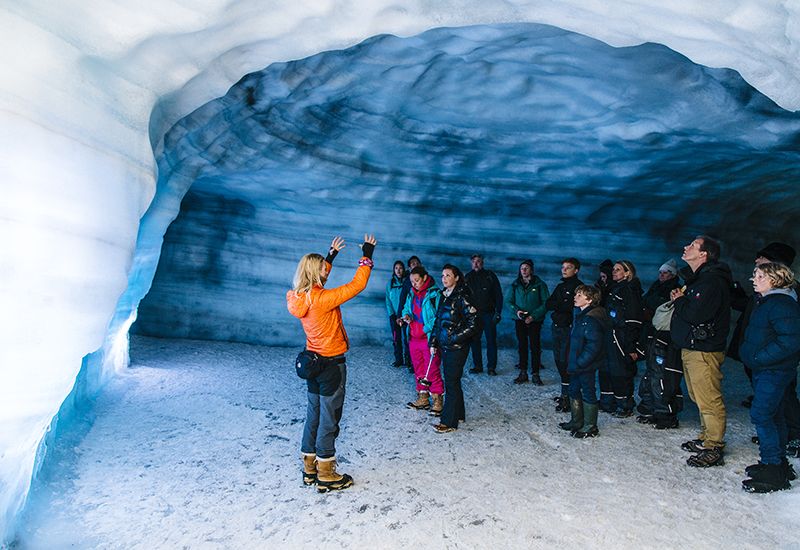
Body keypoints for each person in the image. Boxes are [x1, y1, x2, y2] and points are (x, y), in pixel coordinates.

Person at [286, 234, 377, 492]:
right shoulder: (323, 300)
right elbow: (356, 285)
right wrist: (367, 255)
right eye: (323, 269)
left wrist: (331, 256)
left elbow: (321, 277)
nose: (326, 272)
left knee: (313, 414)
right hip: (330, 365)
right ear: (316, 273)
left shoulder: (301, 297)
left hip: (313, 363)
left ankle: (309, 467)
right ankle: (326, 471)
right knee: (329, 417)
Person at [728, 242, 800, 457]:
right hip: (760, 358)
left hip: (773, 361)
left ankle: (794, 435)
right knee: (771, 405)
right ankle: (778, 437)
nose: (757, 261)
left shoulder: (787, 296)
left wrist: (761, 356)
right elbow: (746, 306)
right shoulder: (767, 294)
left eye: (763, 259)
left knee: (784, 397)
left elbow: (789, 336)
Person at [670, 235, 732, 468]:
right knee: (699, 396)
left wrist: (680, 300)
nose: (686, 247)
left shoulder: (711, 282)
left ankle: (714, 446)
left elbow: (697, 313)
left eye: (693, 245)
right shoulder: (701, 279)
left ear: (704, 254)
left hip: (703, 351)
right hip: (693, 347)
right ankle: (707, 438)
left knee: (709, 398)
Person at [740, 262, 800, 493]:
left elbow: (791, 340)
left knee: (762, 414)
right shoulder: (769, 301)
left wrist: (760, 357)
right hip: (767, 369)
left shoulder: (780, 303)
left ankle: (773, 469)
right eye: (755, 274)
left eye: (760, 275)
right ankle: (778, 464)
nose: (754, 278)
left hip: (773, 370)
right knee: (774, 414)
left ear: (775, 280)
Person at [429, 264, 479, 432]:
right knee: (453, 381)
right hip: (445, 345)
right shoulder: (444, 296)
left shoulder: (462, 297)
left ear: (456, 278)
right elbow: (438, 322)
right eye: (443, 275)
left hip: (457, 347)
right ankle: (458, 414)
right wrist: (434, 342)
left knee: (451, 382)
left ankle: (449, 422)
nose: (444, 278)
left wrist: (453, 337)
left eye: (448, 275)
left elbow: (474, 324)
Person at [559, 285, 611, 438]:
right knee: (574, 390)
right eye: (576, 294)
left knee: (588, 392)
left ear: (589, 299)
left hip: (585, 365)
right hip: (577, 364)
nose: (575, 297)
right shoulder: (581, 315)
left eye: (579, 295)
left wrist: (581, 362)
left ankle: (590, 426)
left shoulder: (591, 319)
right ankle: (577, 421)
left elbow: (593, 346)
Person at [636, 259, 683, 427]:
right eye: (661, 272)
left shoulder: (673, 289)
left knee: (661, 376)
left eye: (665, 273)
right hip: (653, 333)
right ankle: (653, 409)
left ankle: (665, 413)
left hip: (665, 335)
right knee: (652, 373)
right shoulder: (657, 286)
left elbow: (655, 304)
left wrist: (649, 306)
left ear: (673, 275)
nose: (662, 275)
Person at [602, 261, 644, 417]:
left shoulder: (630, 290)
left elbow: (634, 319)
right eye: (613, 269)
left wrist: (631, 345)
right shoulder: (616, 288)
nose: (614, 272)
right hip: (611, 334)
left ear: (627, 273)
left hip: (622, 336)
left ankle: (625, 405)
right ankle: (608, 401)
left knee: (621, 370)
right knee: (608, 369)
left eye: (618, 270)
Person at [401, 266, 443, 415]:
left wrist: (424, 328)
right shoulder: (411, 293)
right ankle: (423, 397)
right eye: (412, 281)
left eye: (417, 280)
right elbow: (406, 308)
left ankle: (438, 399)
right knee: (418, 368)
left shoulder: (435, 294)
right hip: (413, 337)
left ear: (425, 277)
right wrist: (406, 316)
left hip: (428, 338)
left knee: (431, 369)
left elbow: (439, 317)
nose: (414, 284)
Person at [546, 258, 584, 412]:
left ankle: (570, 398)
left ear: (576, 270)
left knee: (567, 362)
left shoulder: (578, 287)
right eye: (563, 267)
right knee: (559, 361)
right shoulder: (561, 286)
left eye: (568, 267)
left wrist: (560, 306)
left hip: (569, 329)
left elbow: (572, 307)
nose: (564, 270)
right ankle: (565, 394)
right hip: (557, 328)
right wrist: (562, 305)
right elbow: (549, 304)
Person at [506, 259, 550, 385]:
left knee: (535, 346)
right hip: (520, 319)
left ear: (531, 270)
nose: (524, 270)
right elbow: (508, 301)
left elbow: (546, 303)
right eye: (522, 268)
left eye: (526, 268)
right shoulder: (515, 285)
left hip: (534, 321)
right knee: (522, 345)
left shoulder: (540, 285)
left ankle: (535, 373)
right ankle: (523, 372)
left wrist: (534, 316)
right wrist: (517, 311)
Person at [464, 254, 503, 375]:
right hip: (474, 315)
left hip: (488, 314)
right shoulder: (468, 277)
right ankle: (478, 366)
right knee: (475, 341)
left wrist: (498, 312)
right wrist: (467, 311)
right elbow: (464, 297)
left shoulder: (490, 276)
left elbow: (498, 295)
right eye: (474, 261)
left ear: (482, 263)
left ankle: (491, 367)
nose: (476, 264)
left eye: (479, 261)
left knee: (491, 341)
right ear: (471, 263)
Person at [396, 256, 422, 369]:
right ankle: (410, 362)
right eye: (412, 264)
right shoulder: (407, 281)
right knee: (409, 339)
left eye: (416, 263)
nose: (415, 265)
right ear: (409, 267)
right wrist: (399, 315)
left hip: (422, 316)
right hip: (409, 315)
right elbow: (402, 299)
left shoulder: (427, 279)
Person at [386, 260, 407, 368]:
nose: (398, 270)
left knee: (407, 338)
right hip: (394, 315)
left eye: (400, 268)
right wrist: (391, 314)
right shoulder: (390, 283)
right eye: (396, 268)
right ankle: (398, 359)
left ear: (404, 269)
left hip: (405, 315)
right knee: (396, 338)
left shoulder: (407, 282)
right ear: (394, 270)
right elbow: (388, 300)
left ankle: (409, 361)